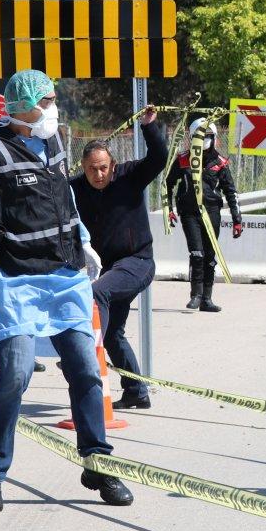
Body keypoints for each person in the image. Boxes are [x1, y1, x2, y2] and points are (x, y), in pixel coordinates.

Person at [0, 69, 133, 513]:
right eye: (47, 101)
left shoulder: (53, 141)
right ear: (23, 107)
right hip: (14, 281)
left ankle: (98, 464)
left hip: (64, 276)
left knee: (86, 370)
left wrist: (85, 242)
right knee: (14, 374)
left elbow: (64, 200)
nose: (55, 108)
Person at [70, 105, 167, 411]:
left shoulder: (129, 176)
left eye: (103, 168)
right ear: (83, 167)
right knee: (112, 332)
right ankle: (137, 391)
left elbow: (159, 157)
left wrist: (149, 127)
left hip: (138, 262)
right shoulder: (75, 189)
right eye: (92, 169)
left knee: (96, 293)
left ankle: (85, 353)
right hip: (108, 268)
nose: (98, 175)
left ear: (113, 164)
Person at [166, 120, 242, 312]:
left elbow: (231, 192)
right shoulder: (183, 160)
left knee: (209, 256)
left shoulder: (220, 163)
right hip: (189, 213)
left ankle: (207, 299)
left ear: (214, 138)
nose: (204, 140)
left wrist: (237, 219)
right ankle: (196, 295)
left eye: (208, 136)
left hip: (212, 213)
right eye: (200, 136)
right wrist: (169, 209)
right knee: (196, 253)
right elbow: (167, 183)